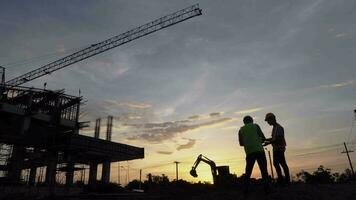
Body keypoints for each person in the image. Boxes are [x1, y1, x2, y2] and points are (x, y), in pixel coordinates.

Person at [238, 116, 270, 195]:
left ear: (244, 122)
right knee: (264, 171)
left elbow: (241, 143)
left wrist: (248, 142)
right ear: (252, 121)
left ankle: (245, 191)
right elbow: (263, 137)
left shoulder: (241, 130)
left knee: (248, 172)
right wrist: (260, 140)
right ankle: (267, 190)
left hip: (249, 152)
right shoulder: (255, 126)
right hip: (259, 151)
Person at [264, 113, 290, 184]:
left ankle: (282, 180)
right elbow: (273, 138)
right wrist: (265, 139)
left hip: (279, 148)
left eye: (268, 121)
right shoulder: (275, 128)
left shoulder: (279, 128)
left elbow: (277, 139)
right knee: (281, 163)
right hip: (277, 148)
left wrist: (268, 142)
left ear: (272, 119)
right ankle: (285, 180)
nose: (268, 122)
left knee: (278, 163)